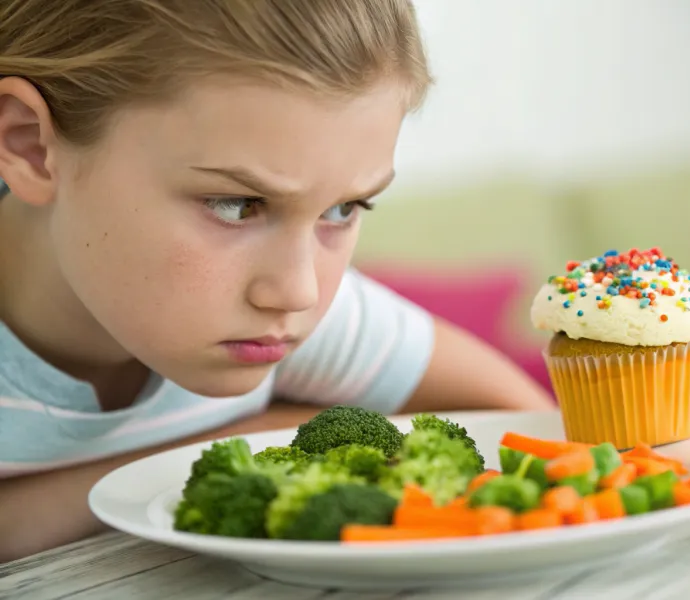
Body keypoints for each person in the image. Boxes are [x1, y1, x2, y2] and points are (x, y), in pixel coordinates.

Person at [0, 0, 552, 561]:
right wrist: (255, 436)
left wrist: (247, 443)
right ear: (29, 146)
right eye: (237, 206)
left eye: (343, 209)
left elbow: (537, 437)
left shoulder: (299, 317)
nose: (299, 293)